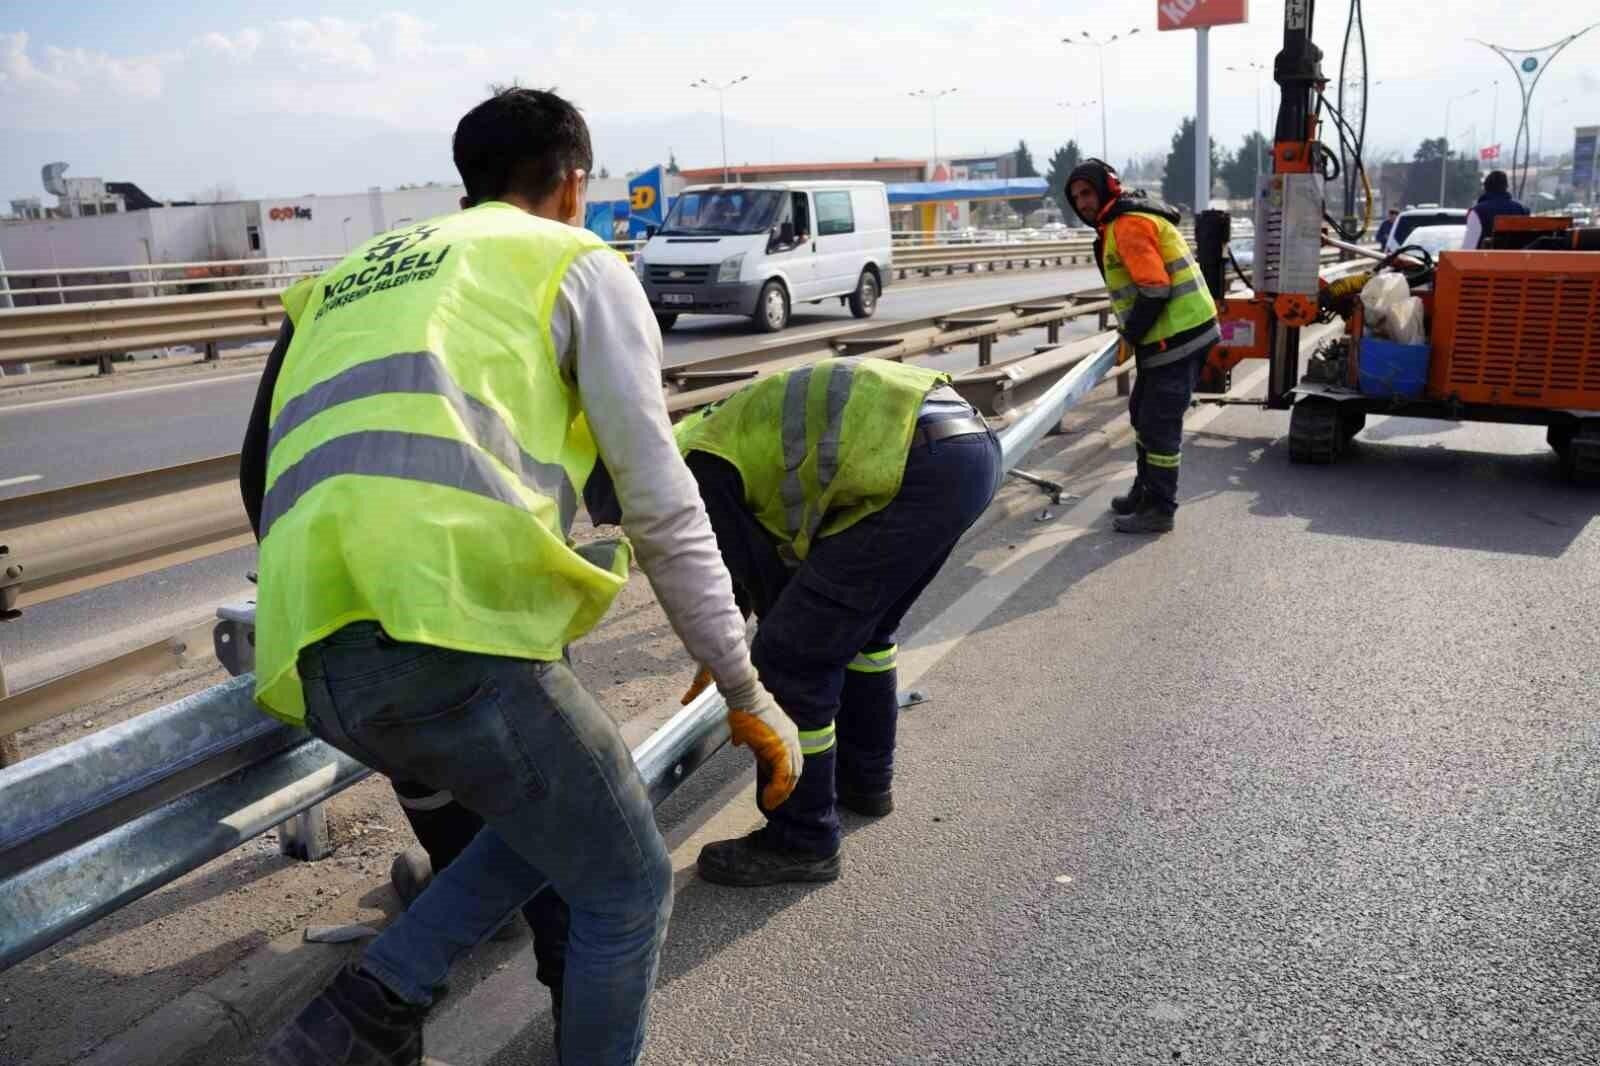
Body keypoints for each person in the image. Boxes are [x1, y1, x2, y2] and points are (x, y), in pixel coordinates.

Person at [240, 87, 802, 1066]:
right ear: (574, 181)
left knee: (558, 815)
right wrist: (745, 687)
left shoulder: (346, 278)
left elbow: (257, 470)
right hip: (455, 637)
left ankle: (357, 1017)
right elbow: (664, 507)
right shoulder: (574, 261)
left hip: (314, 656)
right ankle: (369, 1016)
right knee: (626, 881)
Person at [668, 357, 1003, 885]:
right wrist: (719, 634)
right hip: (963, 450)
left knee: (789, 660)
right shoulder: (707, 438)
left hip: (916, 465)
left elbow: (765, 584)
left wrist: (736, 662)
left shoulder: (691, 473)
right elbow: (743, 569)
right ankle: (866, 783)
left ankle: (800, 841)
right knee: (865, 635)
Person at [1066, 158, 1220, 534]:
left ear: (1107, 187)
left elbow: (1155, 289)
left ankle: (1160, 509)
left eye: (1087, 193)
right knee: (1141, 413)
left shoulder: (1128, 224)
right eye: (1076, 198)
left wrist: (1130, 335)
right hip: (1168, 335)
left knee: (1159, 423)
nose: (1083, 203)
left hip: (1177, 335)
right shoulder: (1120, 221)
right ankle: (1145, 491)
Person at [1462, 170, 1528, 250]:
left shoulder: (1478, 212)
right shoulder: (1521, 210)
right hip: (1518, 261)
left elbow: (1468, 247)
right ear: (1506, 187)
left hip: (1485, 261)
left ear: (1485, 188)